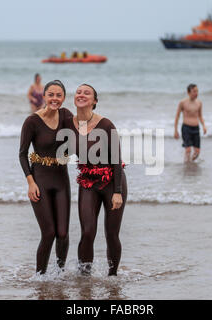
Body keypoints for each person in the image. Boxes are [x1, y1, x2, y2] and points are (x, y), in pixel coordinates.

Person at [63, 84, 127, 276]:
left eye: (87, 93)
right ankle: (85, 277)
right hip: (88, 183)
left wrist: (117, 192)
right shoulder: (67, 123)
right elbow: (49, 118)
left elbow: (116, 159)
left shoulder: (106, 125)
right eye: (79, 92)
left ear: (94, 101)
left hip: (112, 183)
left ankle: (113, 276)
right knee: (88, 232)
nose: (81, 94)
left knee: (111, 234)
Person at [19, 80, 73, 275]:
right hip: (40, 180)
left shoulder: (66, 115)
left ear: (64, 98)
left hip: (61, 179)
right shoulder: (32, 121)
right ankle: (39, 277)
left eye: (59, 95)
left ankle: (59, 274)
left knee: (63, 234)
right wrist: (30, 182)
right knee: (49, 233)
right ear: (44, 95)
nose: (55, 99)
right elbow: (22, 154)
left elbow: (78, 138)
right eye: (51, 94)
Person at [174, 84, 207, 162]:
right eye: (194, 91)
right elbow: (177, 116)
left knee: (197, 152)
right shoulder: (183, 102)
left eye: (197, 91)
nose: (196, 93)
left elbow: (200, 116)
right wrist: (175, 130)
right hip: (186, 128)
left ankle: (190, 163)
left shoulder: (199, 103)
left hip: (196, 129)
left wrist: (204, 126)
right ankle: (186, 164)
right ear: (188, 92)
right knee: (188, 150)